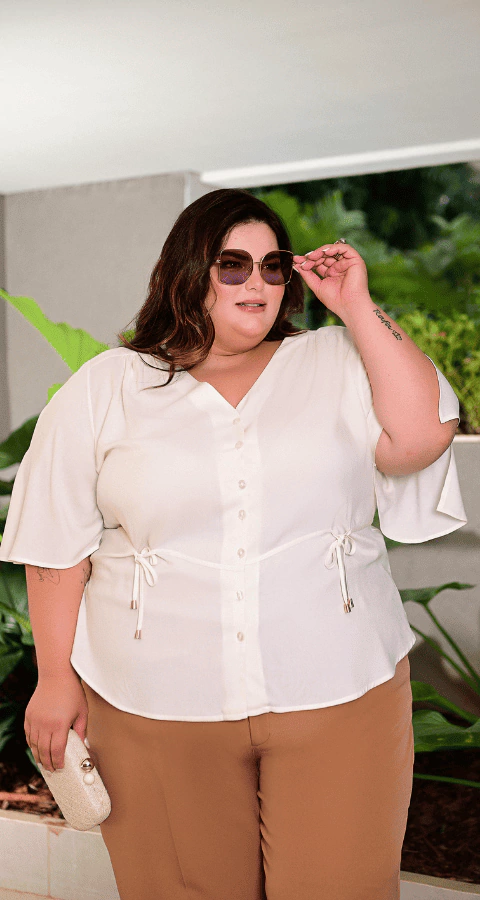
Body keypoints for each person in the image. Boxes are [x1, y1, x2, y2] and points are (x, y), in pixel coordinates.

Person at [0, 188, 467, 900]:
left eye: (274, 266)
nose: (258, 281)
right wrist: (55, 680)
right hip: (152, 701)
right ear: (189, 271)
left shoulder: (336, 359)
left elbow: (424, 435)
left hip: (339, 689)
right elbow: (56, 546)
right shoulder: (108, 387)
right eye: (233, 264)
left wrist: (357, 304)